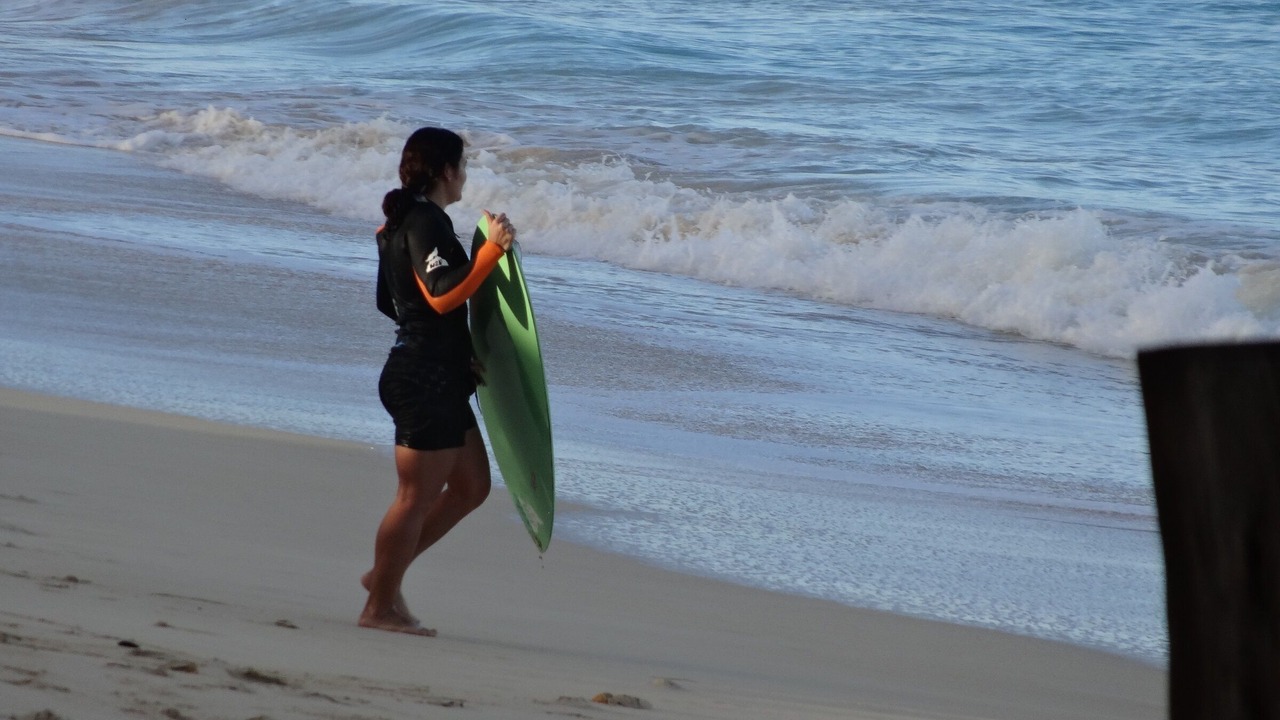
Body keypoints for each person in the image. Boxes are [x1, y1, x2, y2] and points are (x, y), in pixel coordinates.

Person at [360, 127, 516, 636]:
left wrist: (456, 351)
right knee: (414, 497)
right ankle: (379, 607)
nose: (466, 173)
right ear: (446, 170)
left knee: (472, 486)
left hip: (436, 372)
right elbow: (442, 296)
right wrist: (489, 255)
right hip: (421, 379)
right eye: (463, 164)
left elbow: (391, 302)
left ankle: (384, 576)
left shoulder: (401, 223)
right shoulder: (425, 220)